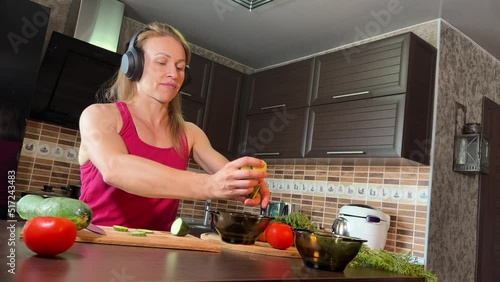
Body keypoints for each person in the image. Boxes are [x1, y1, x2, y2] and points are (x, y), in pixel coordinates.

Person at [78, 22, 270, 231]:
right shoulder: (99, 115)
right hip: (99, 245)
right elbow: (115, 169)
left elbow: (226, 173)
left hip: (159, 250)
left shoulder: (190, 133)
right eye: (162, 62)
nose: (173, 74)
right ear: (134, 65)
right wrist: (208, 185)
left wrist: (247, 182)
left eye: (180, 67)